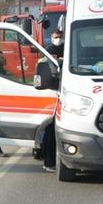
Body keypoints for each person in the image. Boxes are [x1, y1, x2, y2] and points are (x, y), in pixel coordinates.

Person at [38, 29, 64, 172]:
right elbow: (45, 66)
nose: (58, 39)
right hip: (51, 91)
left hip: (65, 90)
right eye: (55, 37)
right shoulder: (48, 50)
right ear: (51, 38)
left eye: (60, 37)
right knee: (49, 129)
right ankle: (47, 160)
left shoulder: (67, 48)